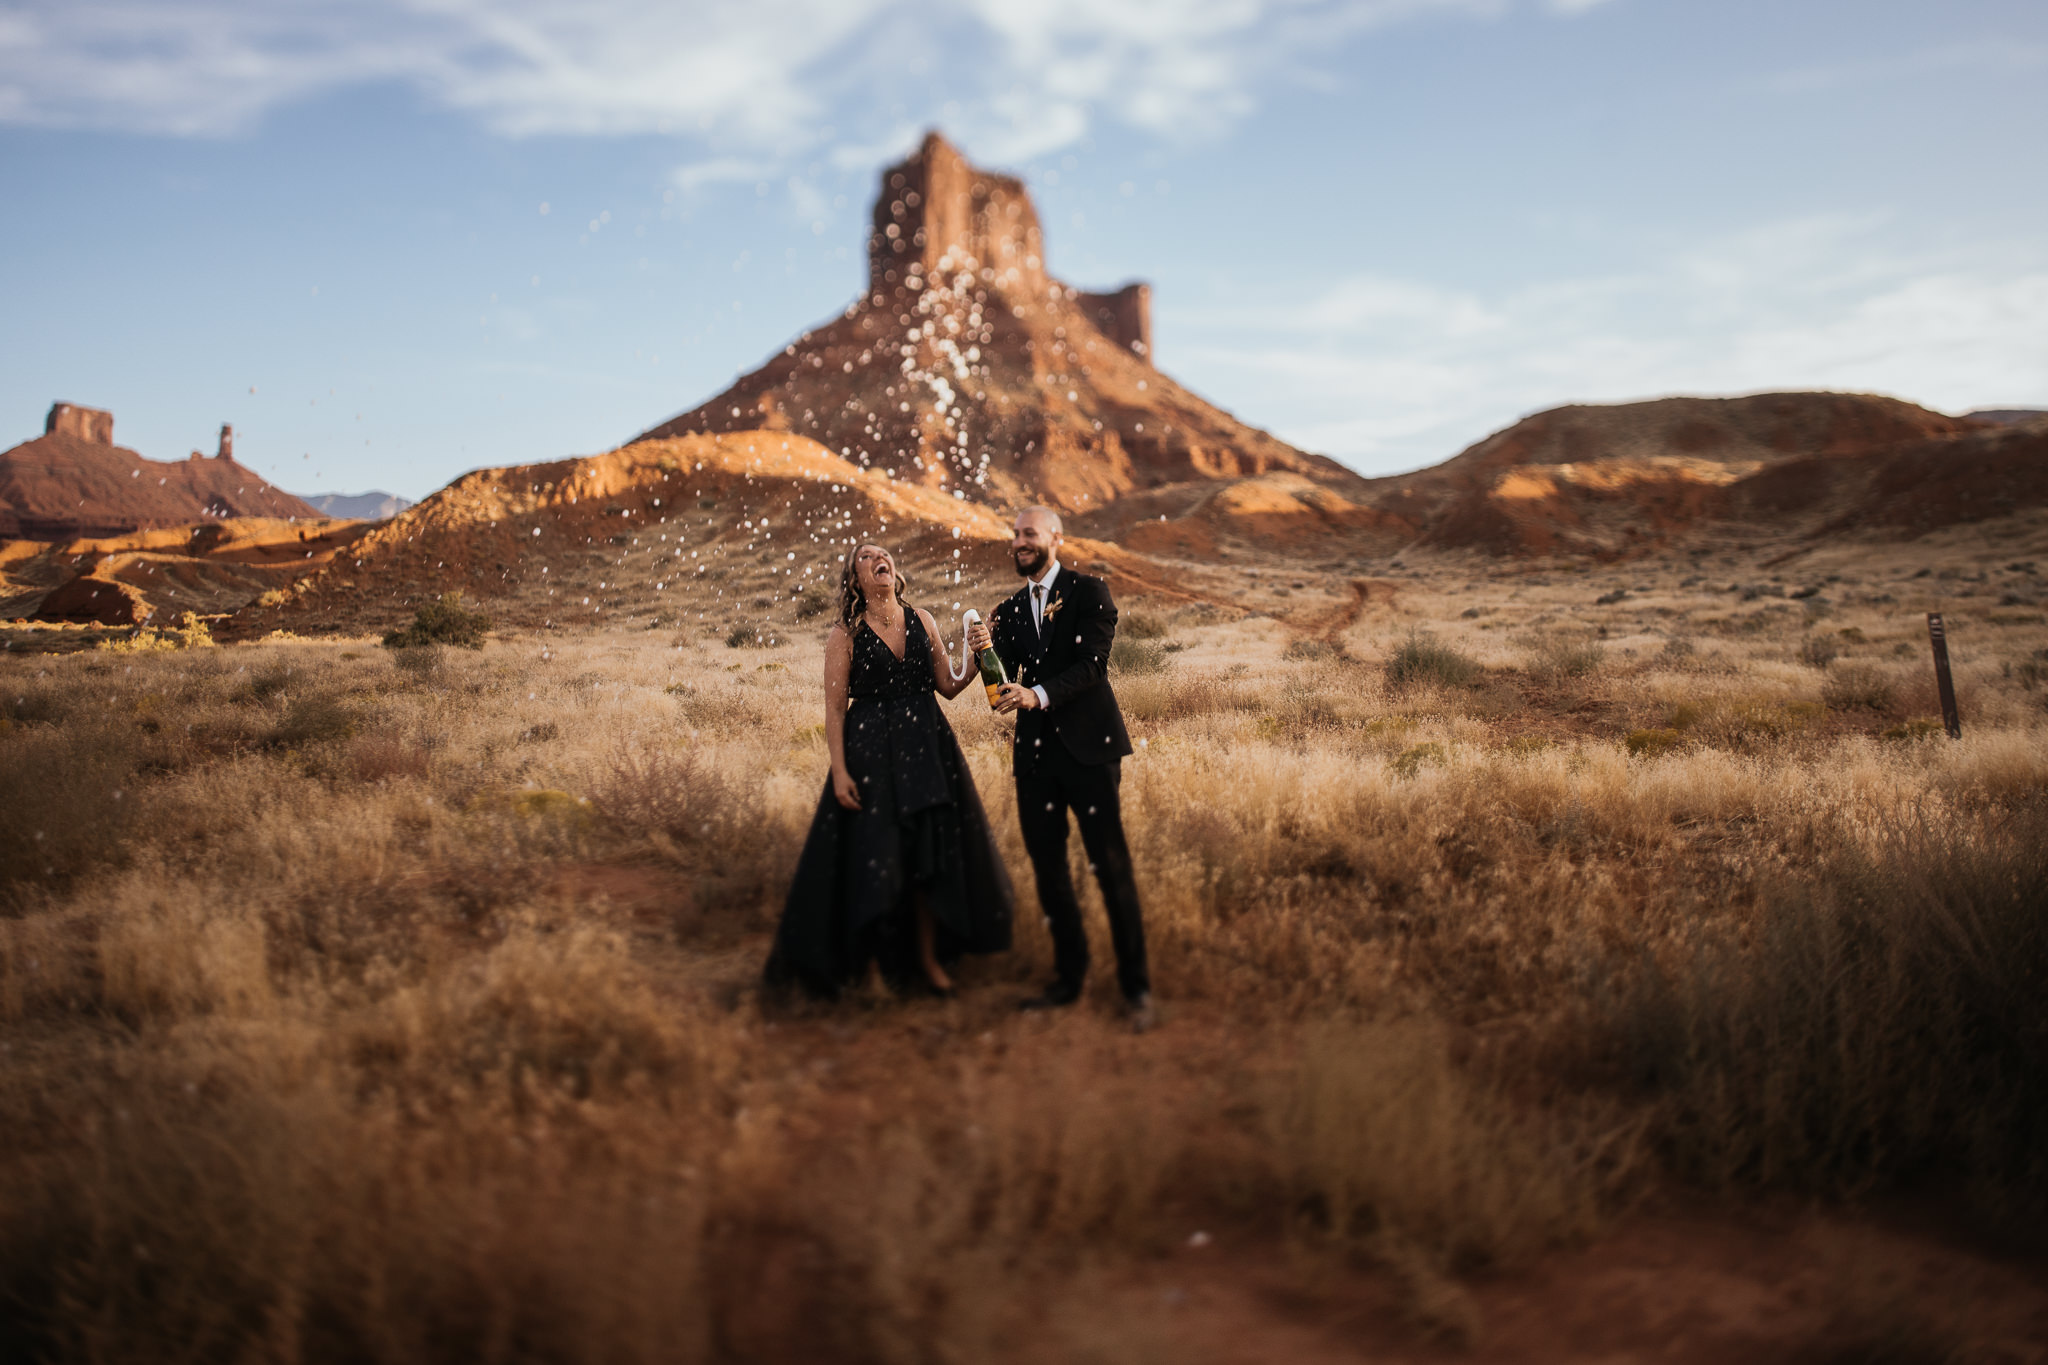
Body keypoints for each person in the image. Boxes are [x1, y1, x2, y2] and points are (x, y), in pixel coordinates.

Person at [765, 541, 1014, 999]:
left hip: (926, 746)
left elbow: (949, 685)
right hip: (870, 752)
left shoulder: (922, 620)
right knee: (876, 859)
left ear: (893, 570)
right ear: (855, 579)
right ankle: (874, 966)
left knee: (924, 860)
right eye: (864, 556)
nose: (878, 558)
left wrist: (980, 656)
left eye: (882, 553)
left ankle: (925, 960)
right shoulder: (845, 634)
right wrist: (839, 772)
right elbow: (835, 709)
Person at [967, 507, 1155, 1032]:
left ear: (1055, 538)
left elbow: (1094, 665)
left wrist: (1038, 694)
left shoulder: (1090, 592)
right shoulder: (1006, 609)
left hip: (1090, 753)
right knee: (1049, 872)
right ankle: (1069, 979)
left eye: (1029, 533)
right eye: (1015, 536)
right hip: (1034, 759)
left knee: (1109, 866)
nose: (1020, 542)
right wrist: (985, 656)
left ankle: (1136, 988)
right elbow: (998, 686)